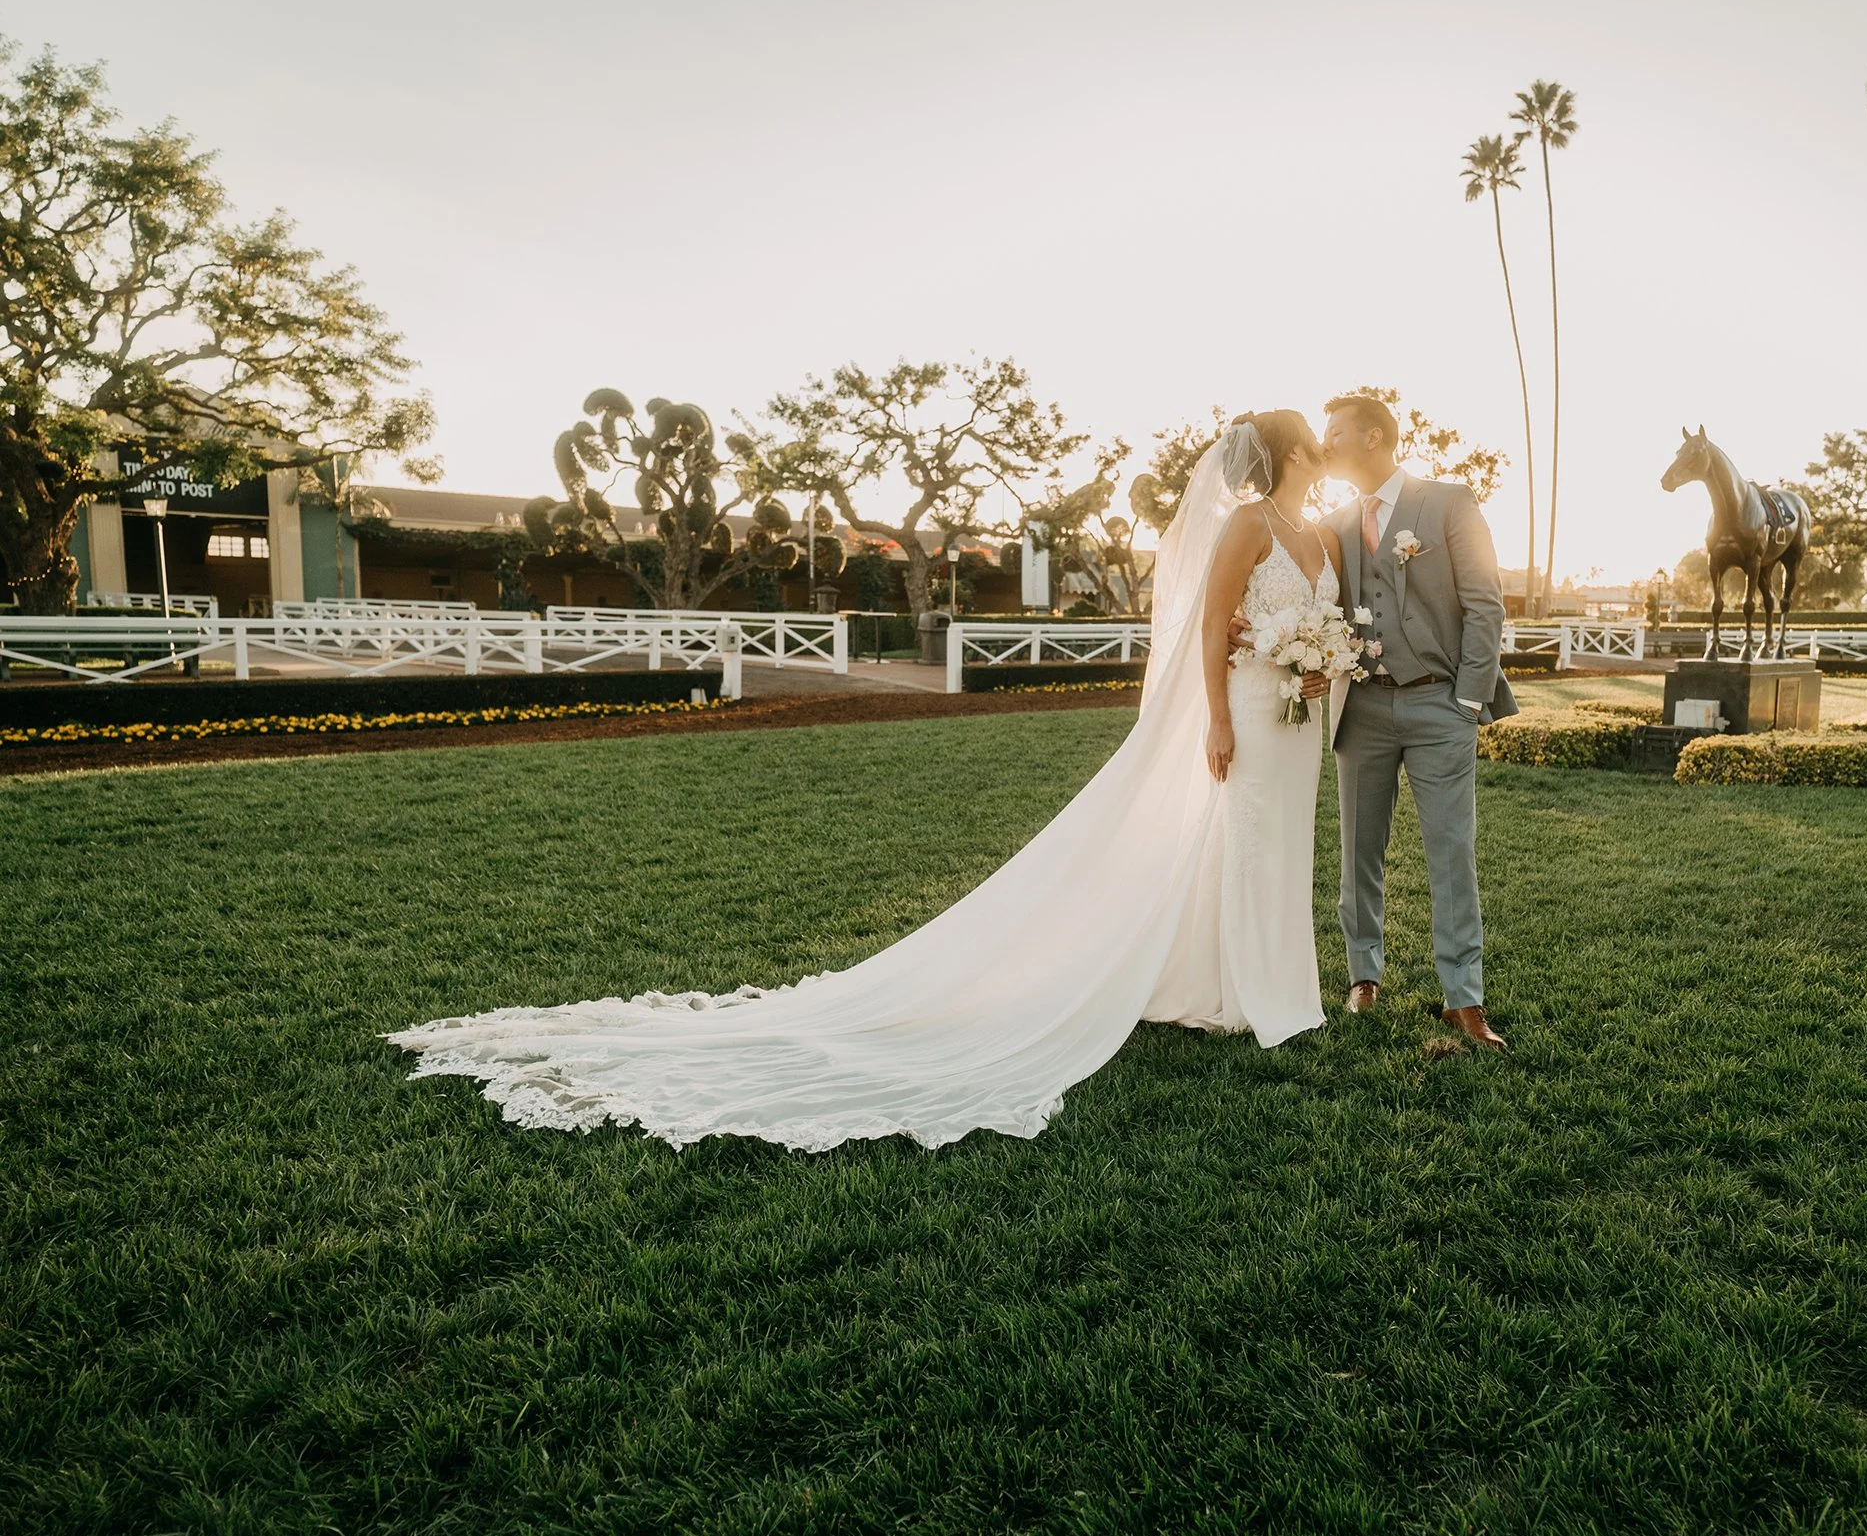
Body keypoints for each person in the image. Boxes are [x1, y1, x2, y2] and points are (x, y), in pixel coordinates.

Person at [387, 413, 1348, 1153]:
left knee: (1274, 845)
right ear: (1292, 455)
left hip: (1294, 715)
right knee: (1245, 836)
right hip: (1244, 712)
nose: (1320, 456)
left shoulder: (1315, 535)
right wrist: (1217, 717)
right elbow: (1203, 630)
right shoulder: (1245, 527)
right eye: (1313, 444)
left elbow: (1307, 626)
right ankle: (1249, 995)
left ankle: (1247, 983)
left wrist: (1312, 665)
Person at [1313, 394, 1514, 1049]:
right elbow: (1322, 610)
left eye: (1336, 432)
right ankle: (1362, 976)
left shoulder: (1449, 503)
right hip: (1361, 707)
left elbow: (1485, 604)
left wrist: (1469, 701)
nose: (1325, 443)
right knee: (1358, 851)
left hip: (1439, 705)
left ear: (1373, 437)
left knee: (1451, 853)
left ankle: (1464, 998)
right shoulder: (1334, 524)